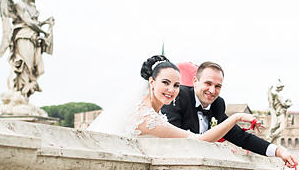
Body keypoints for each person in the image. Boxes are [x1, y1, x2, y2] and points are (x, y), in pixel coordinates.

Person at [161, 61, 298, 166]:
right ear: (195, 82)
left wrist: (279, 151)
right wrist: (236, 117)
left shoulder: (217, 105)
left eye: (217, 86)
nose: (212, 90)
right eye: (208, 83)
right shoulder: (177, 97)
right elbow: (175, 143)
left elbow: (241, 138)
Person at [89, 55, 257, 139]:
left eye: (177, 85)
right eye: (166, 83)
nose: (171, 90)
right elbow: (198, 140)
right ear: (152, 82)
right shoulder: (146, 117)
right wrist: (237, 117)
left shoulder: (151, 112)